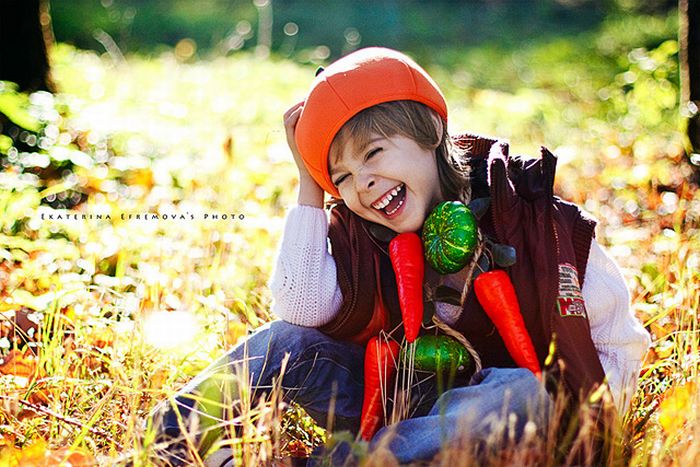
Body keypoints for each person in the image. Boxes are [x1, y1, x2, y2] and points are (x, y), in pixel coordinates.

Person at [150, 47, 651, 466]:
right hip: (391, 409)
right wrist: (309, 185)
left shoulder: (533, 219)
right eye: (342, 177)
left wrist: (578, 434)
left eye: (373, 154)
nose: (363, 183)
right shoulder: (365, 238)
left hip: (495, 420)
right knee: (286, 341)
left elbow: (619, 344)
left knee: (520, 391)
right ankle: (166, 442)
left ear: (430, 132)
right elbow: (299, 308)